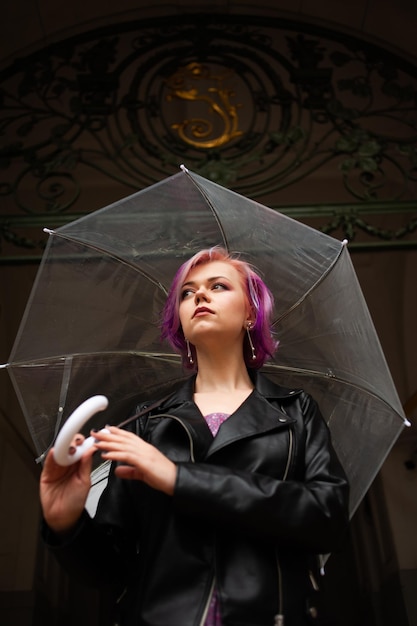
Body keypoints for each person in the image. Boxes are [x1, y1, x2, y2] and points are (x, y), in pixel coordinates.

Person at [40, 247, 349, 626]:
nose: (199, 295)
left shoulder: (295, 411)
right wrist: (66, 523)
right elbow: (109, 573)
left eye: (218, 286)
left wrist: (179, 478)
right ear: (180, 321)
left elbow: (326, 518)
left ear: (250, 314)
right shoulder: (147, 424)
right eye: (187, 292)